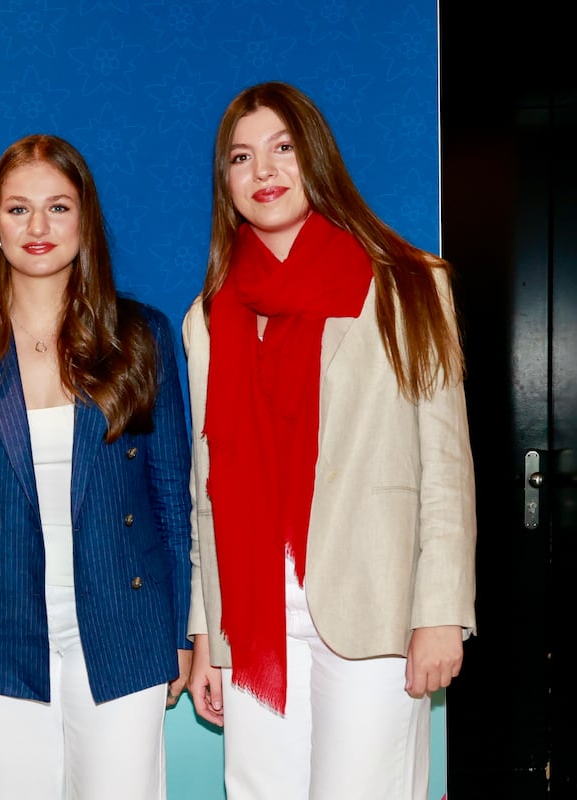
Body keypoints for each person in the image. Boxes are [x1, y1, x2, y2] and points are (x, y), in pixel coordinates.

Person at [183, 81, 477, 799]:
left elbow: (445, 466)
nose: (264, 172)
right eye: (241, 158)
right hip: (255, 620)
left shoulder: (409, 285)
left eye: (283, 149)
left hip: (374, 605)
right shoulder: (209, 317)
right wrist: (206, 635)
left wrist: (440, 611)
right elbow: (207, 494)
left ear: (316, 158)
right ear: (225, 183)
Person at [0, 134, 192, 799]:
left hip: (124, 622)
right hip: (2, 627)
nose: (37, 228)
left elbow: (171, 494)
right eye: (18, 210)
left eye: (58, 208)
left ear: (85, 219)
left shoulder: (141, 336)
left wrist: (184, 631)